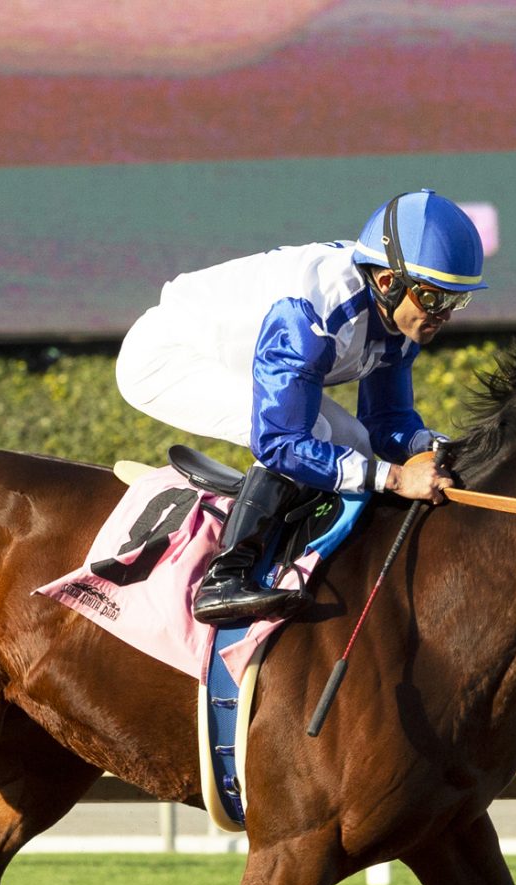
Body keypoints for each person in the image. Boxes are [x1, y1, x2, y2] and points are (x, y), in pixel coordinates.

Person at [117, 188, 485, 622]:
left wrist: (437, 447)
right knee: (318, 438)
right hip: (168, 356)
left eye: (455, 300)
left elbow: (386, 422)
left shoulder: (398, 314)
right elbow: (280, 443)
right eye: (434, 298)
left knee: (356, 443)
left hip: (241, 360)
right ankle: (224, 579)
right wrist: (398, 477)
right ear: (387, 282)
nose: (443, 314)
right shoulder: (311, 314)